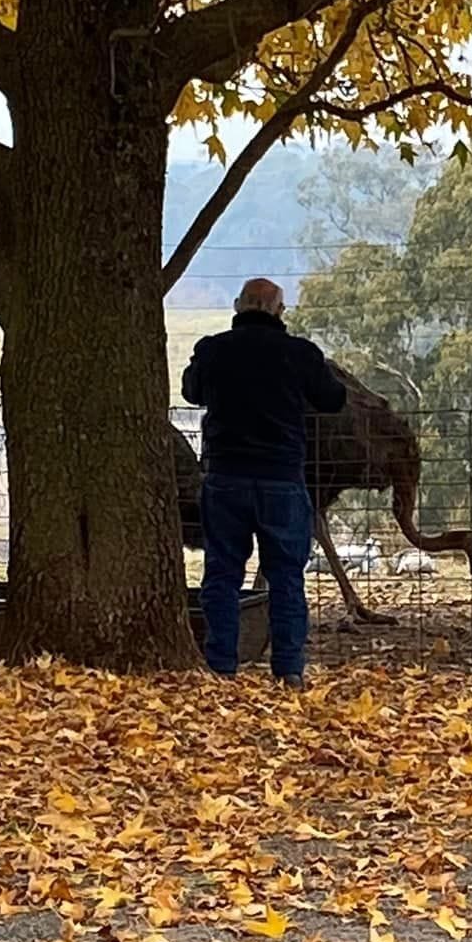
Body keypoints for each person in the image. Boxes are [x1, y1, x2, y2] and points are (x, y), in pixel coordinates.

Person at [180, 277, 348, 687]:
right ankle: (288, 669)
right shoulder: (299, 354)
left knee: (222, 574)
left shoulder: (213, 349)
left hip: (225, 477)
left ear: (239, 306)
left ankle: (222, 666)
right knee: (287, 577)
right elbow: (334, 399)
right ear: (278, 311)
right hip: (281, 479)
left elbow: (191, 392)